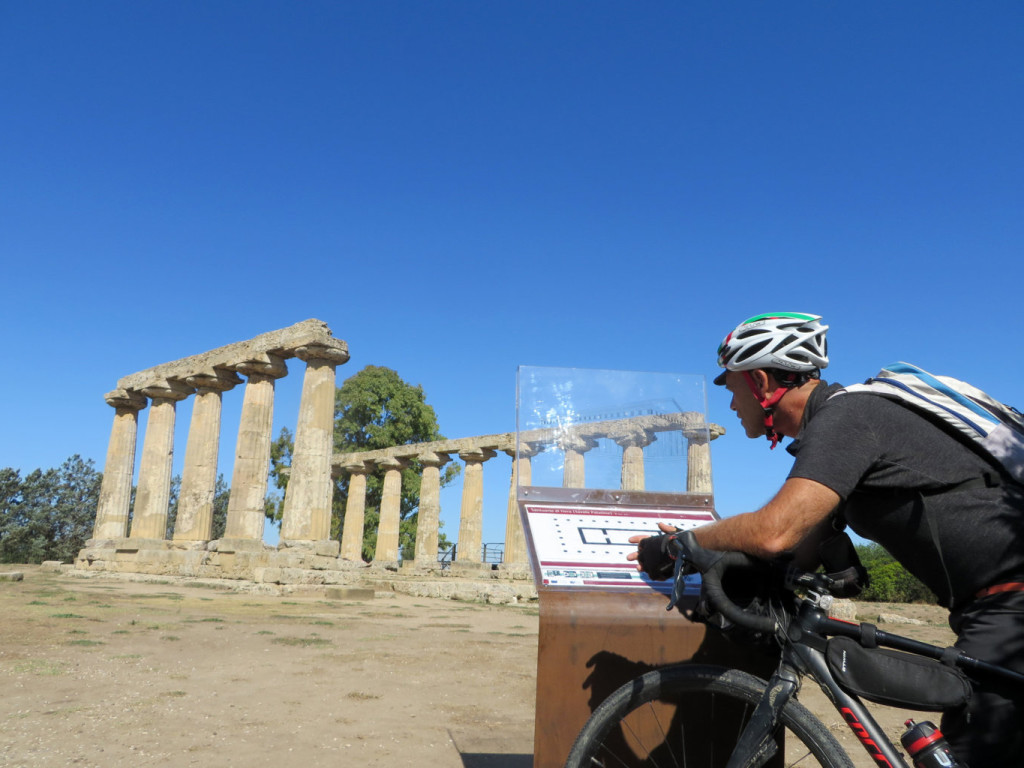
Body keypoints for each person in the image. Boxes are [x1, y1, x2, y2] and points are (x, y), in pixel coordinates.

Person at [628, 312, 1024, 765]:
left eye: (730, 386)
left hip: (1010, 608)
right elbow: (799, 550)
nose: (731, 403)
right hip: (994, 608)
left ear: (759, 381)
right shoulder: (848, 425)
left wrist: (681, 543)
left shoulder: (849, 417)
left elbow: (776, 531)